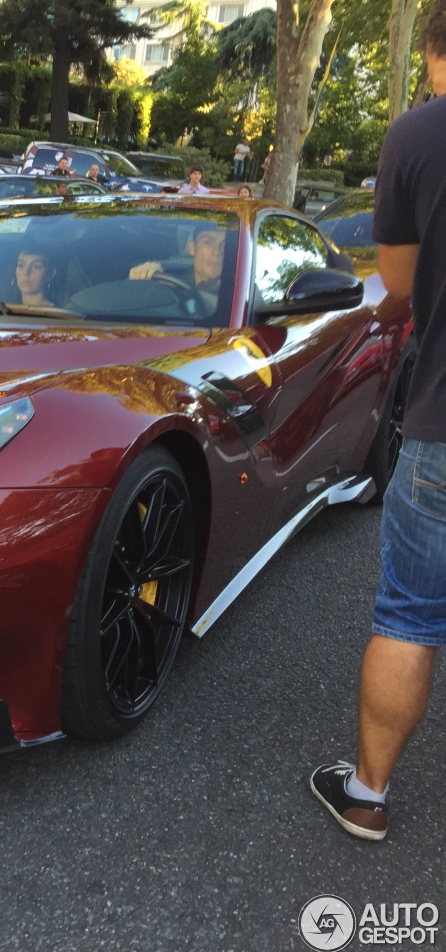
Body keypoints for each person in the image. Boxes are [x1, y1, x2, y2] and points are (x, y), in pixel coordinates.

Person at [309, 0, 446, 842]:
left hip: (443, 426)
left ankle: (365, 794)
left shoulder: (420, 135)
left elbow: (395, 284)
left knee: (409, 614)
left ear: (435, 51)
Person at [128, 222, 226, 312]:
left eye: (225, 244)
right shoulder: (168, 285)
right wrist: (147, 280)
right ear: (192, 248)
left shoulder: (238, 296)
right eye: (207, 242)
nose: (216, 251)